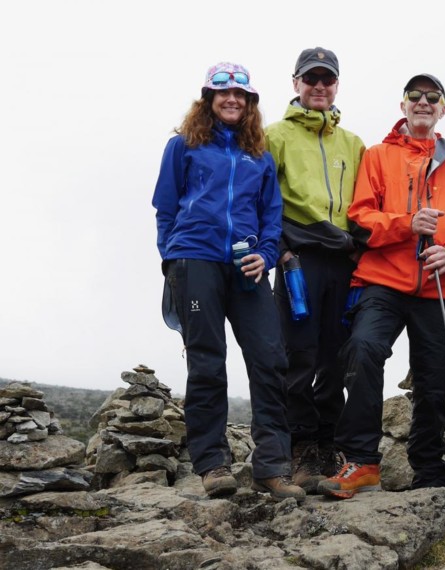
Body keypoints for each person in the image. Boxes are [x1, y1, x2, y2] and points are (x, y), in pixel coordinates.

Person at [317, 73, 445, 499]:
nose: (423, 102)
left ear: (443, 109)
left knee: (432, 382)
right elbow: (360, 218)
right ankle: (362, 462)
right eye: (415, 96)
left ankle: (429, 471)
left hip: (439, 286)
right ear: (403, 106)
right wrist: (405, 224)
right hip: (383, 280)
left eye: (433, 97)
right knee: (362, 349)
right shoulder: (377, 155)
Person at [152, 62, 303, 502]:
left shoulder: (260, 156)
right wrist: (173, 259)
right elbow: (165, 206)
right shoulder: (183, 146)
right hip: (194, 262)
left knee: (270, 358)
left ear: (250, 102)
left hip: (248, 268)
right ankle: (213, 464)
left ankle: (272, 467)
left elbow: (271, 219)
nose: (233, 99)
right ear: (209, 99)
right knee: (206, 360)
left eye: (241, 94)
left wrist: (266, 256)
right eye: (224, 94)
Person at [265, 47, 365, 493]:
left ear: (337, 85)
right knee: (298, 355)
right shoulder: (274, 136)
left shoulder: (354, 144)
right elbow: (261, 202)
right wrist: (282, 252)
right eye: (311, 79)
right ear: (296, 84)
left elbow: (364, 206)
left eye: (327, 79)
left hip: (342, 261)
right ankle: (302, 449)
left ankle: (330, 449)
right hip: (297, 260)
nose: (319, 86)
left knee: (336, 357)